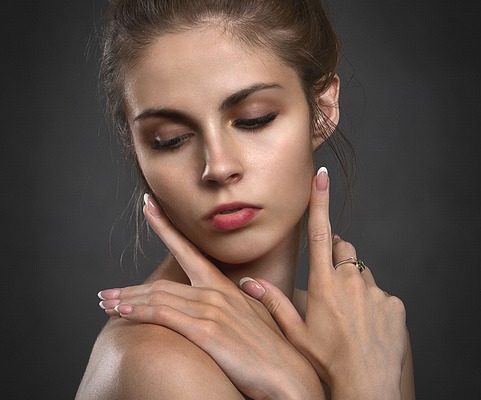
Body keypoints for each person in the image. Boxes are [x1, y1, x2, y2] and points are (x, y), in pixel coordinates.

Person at [76, 0, 415, 399]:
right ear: (137, 149)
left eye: (254, 118)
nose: (218, 167)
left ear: (321, 111)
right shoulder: (156, 362)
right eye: (170, 139)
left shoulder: (365, 335)